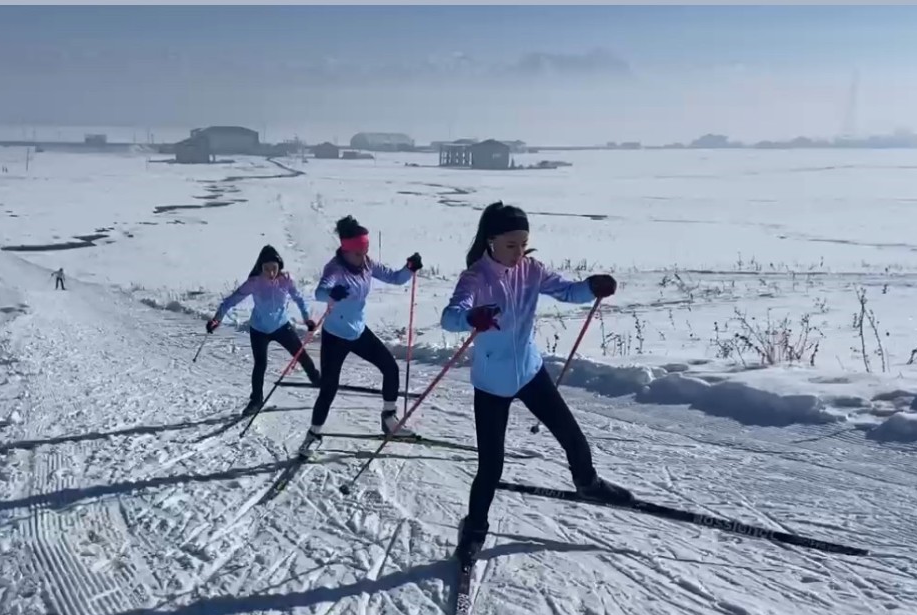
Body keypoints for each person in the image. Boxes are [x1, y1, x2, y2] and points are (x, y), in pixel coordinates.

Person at [440, 201, 634, 562]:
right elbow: (450, 318)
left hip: (530, 371)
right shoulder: (475, 278)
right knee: (490, 466)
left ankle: (588, 484)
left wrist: (592, 286)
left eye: (523, 244)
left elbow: (567, 291)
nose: (518, 252)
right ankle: (474, 530)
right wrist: (472, 316)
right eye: (511, 245)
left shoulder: (531, 269)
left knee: (572, 436)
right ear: (490, 240)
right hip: (492, 383)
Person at [300, 216, 422, 452]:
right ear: (346, 251)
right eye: (358, 252)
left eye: (365, 251)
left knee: (390, 367)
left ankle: (389, 419)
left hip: (357, 331)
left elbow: (395, 278)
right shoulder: (334, 268)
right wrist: (332, 293)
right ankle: (314, 433)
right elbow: (320, 291)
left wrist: (408, 269)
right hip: (335, 336)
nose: (362, 257)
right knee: (329, 388)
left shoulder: (367, 264)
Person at [207, 245, 321, 416]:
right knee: (260, 365)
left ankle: (317, 380)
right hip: (259, 329)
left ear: (279, 266)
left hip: (282, 326)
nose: (271, 272)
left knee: (301, 355)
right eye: (266, 269)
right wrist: (217, 318)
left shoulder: (287, 280)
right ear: (261, 267)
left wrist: (307, 319)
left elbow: (299, 299)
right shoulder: (254, 282)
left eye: (274, 268)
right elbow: (232, 300)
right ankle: (256, 400)